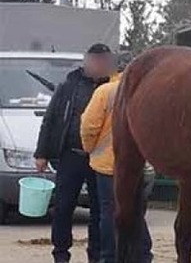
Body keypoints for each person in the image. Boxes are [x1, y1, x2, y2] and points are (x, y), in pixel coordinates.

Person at [34, 43, 115, 263]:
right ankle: (60, 254)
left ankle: (96, 255)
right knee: (63, 207)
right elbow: (50, 120)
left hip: (100, 158)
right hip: (70, 156)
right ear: (87, 61)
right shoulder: (69, 86)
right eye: (93, 61)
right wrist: (41, 153)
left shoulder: (112, 87)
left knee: (99, 211)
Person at [80, 52, 153, 263]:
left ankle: (110, 256)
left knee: (110, 213)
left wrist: (89, 149)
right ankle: (143, 255)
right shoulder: (146, 91)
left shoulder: (105, 91)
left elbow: (88, 126)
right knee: (137, 212)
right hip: (142, 165)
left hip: (108, 166)